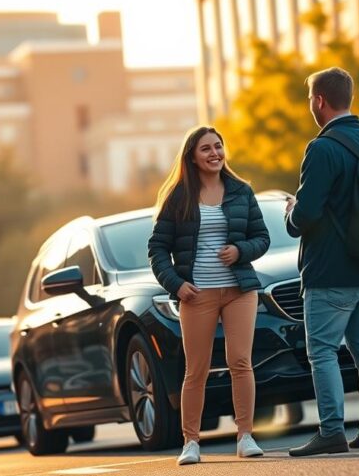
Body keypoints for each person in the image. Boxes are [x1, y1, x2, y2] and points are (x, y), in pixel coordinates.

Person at [285, 67, 359, 456]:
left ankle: (332, 430)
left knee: (322, 351)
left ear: (319, 101)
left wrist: (290, 213)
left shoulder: (321, 148)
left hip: (332, 272)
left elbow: (307, 214)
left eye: (309, 100)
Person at [148, 126, 271, 466]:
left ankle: (245, 435)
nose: (215, 153)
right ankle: (191, 443)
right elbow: (157, 249)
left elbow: (262, 237)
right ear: (192, 156)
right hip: (196, 295)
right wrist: (176, 284)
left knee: (240, 362)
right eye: (206, 149)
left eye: (218, 146)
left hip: (239, 291)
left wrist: (239, 249)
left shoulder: (241, 192)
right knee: (196, 369)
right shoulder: (178, 198)